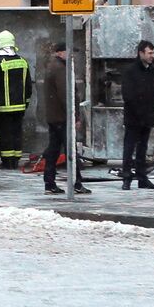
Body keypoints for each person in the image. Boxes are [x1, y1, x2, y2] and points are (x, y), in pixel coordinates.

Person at [41, 41, 90, 195]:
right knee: (71, 151)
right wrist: (74, 116)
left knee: (54, 150)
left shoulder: (53, 66)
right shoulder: (61, 69)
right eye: (69, 52)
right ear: (60, 52)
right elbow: (66, 95)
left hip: (55, 116)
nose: (72, 56)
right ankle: (76, 182)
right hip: (62, 117)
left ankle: (49, 182)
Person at [0, 30, 32, 169]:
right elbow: (28, 86)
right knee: (16, 133)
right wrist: (26, 104)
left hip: (3, 108)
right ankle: (16, 159)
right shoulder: (23, 62)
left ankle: (7, 162)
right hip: (20, 107)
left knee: (5, 135)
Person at [120, 39, 154, 191]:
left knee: (142, 149)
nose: (152, 56)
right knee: (129, 147)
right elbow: (128, 95)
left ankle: (142, 178)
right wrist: (139, 112)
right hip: (134, 117)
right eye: (149, 53)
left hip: (147, 117)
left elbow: (153, 92)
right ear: (141, 53)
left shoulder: (151, 69)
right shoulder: (130, 70)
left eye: (152, 53)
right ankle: (126, 177)